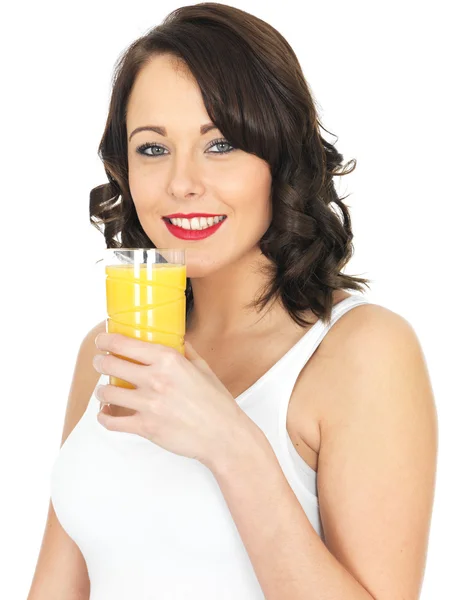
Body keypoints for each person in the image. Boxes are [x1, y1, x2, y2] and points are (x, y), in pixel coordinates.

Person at [27, 3, 437, 599]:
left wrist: (231, 443)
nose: (182, 182)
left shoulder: (363, 352)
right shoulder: (109, 346)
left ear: (279, 156)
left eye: (220, 144)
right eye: (152, 148)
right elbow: (57, 589)